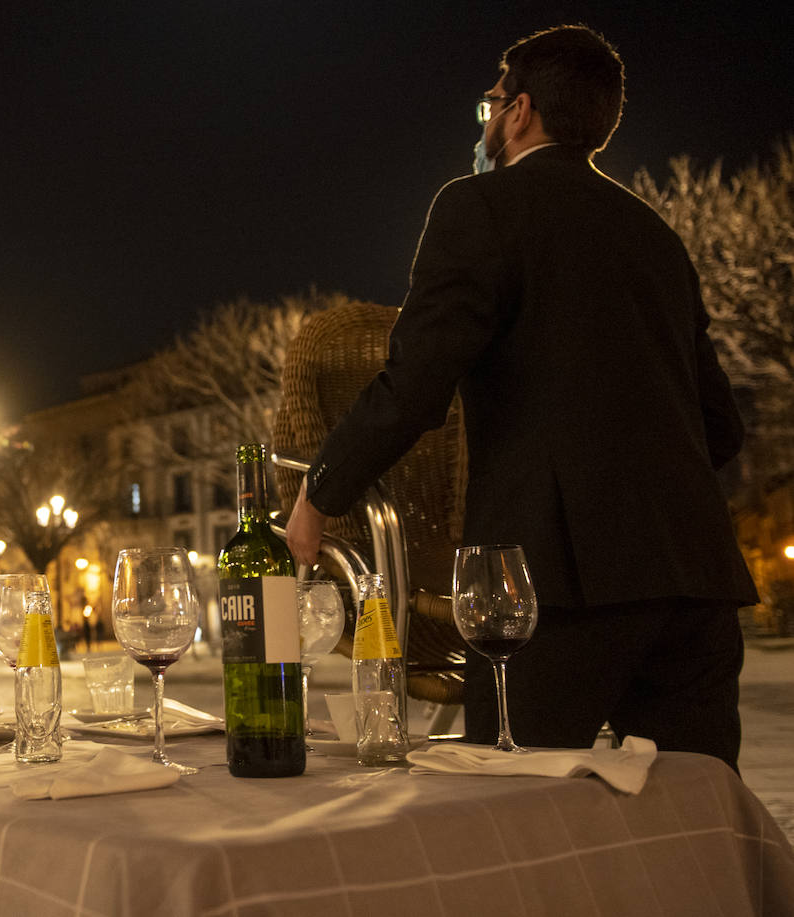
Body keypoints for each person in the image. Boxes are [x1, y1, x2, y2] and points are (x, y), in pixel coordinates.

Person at [285, 25, 756, 771]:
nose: (487, 123)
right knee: (692, 829)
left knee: (508, 816)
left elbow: (414, 383)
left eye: (491, 105)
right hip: (694, 581)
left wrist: (319, 491)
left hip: (552, 586)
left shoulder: (480, 206)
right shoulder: (656, 237)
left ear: (521, 111)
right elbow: (720, 428)